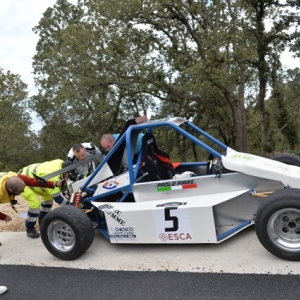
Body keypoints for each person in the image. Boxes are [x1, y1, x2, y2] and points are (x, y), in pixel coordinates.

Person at [18, 159, 73, 238]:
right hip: (22, 183)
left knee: (48, 201)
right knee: (35, 204)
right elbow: (58, 199)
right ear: (66, 172)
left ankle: (43, 222)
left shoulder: (61, 165)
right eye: (69, 175)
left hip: (39, 184)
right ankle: (29, 228)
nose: (69, 177)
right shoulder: (53, 177)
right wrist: (72, 207)